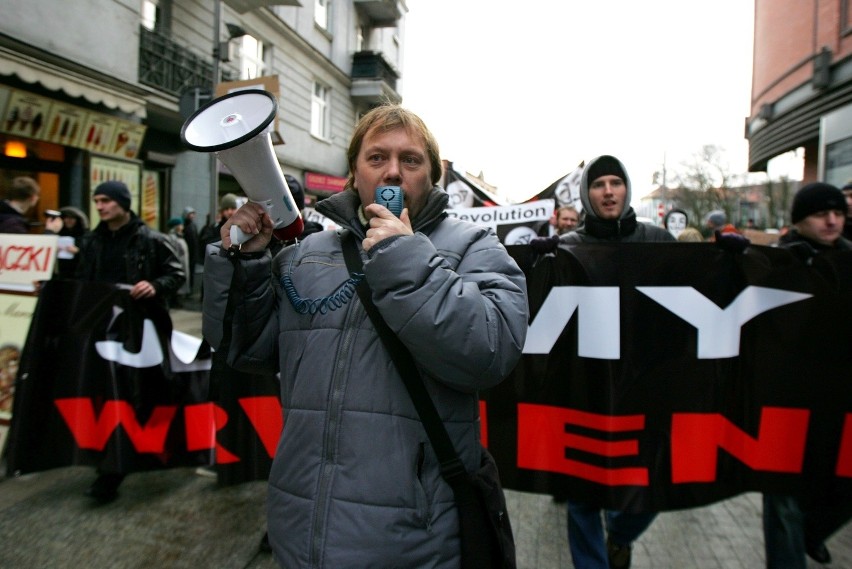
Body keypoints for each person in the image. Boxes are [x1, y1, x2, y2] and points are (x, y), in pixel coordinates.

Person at [202, 104, 529, 568]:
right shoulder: (307, 253)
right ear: (354, 174)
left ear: (432, 176)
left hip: (413, 537)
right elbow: (245, 349)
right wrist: (246, 266)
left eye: (410, 160)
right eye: (377, 158)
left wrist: (403, 256)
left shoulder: (474, 248)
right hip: (302, 523)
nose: (392, 172)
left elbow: (489, 353)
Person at [534, 155, 674, 569]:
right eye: (599, 184)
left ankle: (621, 534)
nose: (609, 191)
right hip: (586, 392)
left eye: (616, 182)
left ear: (627, 188)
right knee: (582, 497)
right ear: (586, 193)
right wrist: (537, 265)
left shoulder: (658, 241)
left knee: (649, 489)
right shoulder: (570, 248)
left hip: (643, 392)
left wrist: (726, 260)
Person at [75, 180, 185, 502]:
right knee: (110, 396)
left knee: (140, 394)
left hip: (142, 331)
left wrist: (154, 285)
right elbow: (81, 280)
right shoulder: (91, 242)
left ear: (123, 202)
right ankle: (111, 468)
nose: (100, 206)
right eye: (96, 201)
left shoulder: (151, 240)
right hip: (102, 330)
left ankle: (127, 461)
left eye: (106, 200)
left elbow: (176, 274)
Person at [764, 181, 851, 568]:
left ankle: (812, 531)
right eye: (821, 214)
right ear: (800, 221)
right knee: (783, 500)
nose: (832, 221)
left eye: (838, 213)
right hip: (784, 401)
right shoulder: (774, 263)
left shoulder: (849, 260)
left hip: (837, 399)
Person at [55, 206, 89, 278]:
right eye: (66, 218)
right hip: (59, 271)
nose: (68, 220)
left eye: (72, 218)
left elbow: (91, 255)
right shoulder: (56, 234)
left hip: (77, 271)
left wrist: (78, 251)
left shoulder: (86, 236)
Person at [166, 216, 192, 307]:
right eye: (180, 224)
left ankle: (177, 299)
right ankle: (174, 300)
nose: (182, 226)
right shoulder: (172, 237)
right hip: (178, 263)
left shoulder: (180, 236)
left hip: (183, 262)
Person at [181, 206, 200, 293]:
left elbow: (196, 239)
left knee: (191, 272)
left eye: (193, 214)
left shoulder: (193, 226)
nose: (192, 216)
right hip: (186, 252)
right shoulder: (183, 226)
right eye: (190, 214)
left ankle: (190, 289)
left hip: (193, 252)